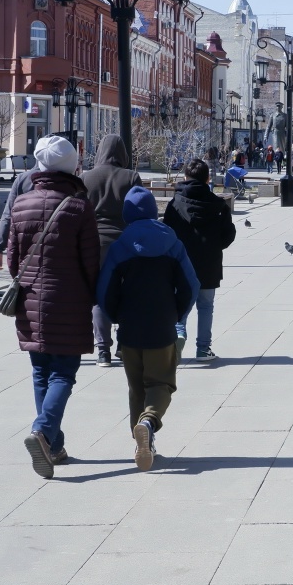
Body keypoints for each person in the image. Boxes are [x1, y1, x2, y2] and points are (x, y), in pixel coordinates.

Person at [8, 135, 100, 479]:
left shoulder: (21, 204)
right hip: (69, 299)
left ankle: (54, 446)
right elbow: (91, 261)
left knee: (40, 372)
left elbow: (14, 262)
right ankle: (44, 431)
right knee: (63, 373)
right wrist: (96, 298)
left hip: (30, 299)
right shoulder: (78, 206)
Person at [98, 186, 198, 471]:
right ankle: (148, 422)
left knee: (136, 387)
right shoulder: (173, 243)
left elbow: (105, 290)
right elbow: (190, 286)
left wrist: (116, 316)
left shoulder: (120, 247)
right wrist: (177, 313)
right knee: (161, 382)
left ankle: (141, 441)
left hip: (130, 328)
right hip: (162, 325)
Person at [79, 135, 143, 368]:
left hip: (94, 243)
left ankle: (102, 351)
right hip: (124, 242)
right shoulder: (131, 177)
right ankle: (123, 346)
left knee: (99, 296)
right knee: (125, 294)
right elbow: (140, 209)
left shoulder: (86, 177)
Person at [164, 159, 235, 362]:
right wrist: (214, 247)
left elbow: (167, 232)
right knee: (205, 306)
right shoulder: (218, 204)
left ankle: (178, 333)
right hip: (209, 263)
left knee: (181, 303)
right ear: (208, 178)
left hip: (180, 263)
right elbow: (228, 234)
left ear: (185, 177)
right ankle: (203, 349)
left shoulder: (175, 204)